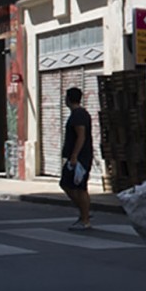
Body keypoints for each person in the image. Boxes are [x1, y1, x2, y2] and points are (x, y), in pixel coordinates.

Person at [61, 87, 94, 230]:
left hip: (80, 158)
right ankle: (83, 214)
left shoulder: (78, 115)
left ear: (68, 99)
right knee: (69, 185)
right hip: (78, 157)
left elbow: (81, 136)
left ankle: (85, 217)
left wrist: (74, 155)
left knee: (79, 187)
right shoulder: (79, 113)